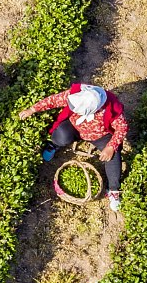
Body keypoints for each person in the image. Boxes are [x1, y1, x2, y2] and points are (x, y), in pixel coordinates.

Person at [19, 81, 128, 211]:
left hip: (100, 135)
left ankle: (113, 190)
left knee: (113, 155)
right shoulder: (80, 93)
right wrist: (32, 109)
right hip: (75, 127)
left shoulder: (111, 106)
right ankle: (54, 145)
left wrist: (111, 145)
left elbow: (122, 127)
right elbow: (54, 100)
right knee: (61, 135)